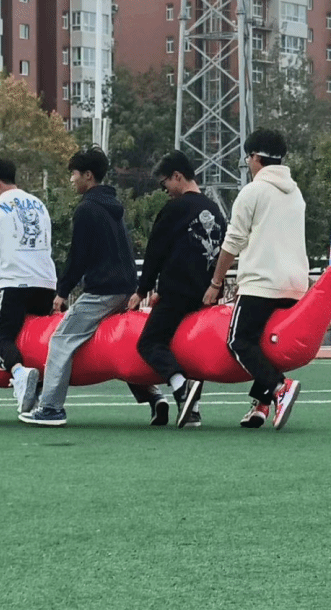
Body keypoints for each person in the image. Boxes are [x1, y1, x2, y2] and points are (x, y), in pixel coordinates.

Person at [20, 146, 166, 427]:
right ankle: (154, 396)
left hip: (103, 290)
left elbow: (78, 256)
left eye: (74, 174)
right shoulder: (113, 206)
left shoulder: (86, 209)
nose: (71, 179)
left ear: (88, 175)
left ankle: (50, 408)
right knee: (119, 346)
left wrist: (62, 292)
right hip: (125, 288)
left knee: (61, 339)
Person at [202, 129, 309, 430]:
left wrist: (216, 282)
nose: (248, 163)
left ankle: (279, 388)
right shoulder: (295, 193)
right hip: (295, 284)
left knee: (239, 341)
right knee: (268, 344)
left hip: (262, 283)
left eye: (248, 158)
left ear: (256, 157)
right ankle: (260, 405)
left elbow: (233, 241)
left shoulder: (253, 191)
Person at [127, 150, 227, 428]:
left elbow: (155, 252)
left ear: (177, 176)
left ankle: (180, 386)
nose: (165, 191)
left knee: (150, 343)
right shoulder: (216, 211)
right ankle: (192, 409)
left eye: (165, 184)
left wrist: (143, 289)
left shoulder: (175, 209)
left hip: (177, 290)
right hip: (206, 293)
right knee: (192, 347)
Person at [0, 158, 57, 415]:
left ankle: (20, 374)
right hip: (45, 282)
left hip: (14, 282)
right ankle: (42, 393)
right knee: (39, 338)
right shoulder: (39, 205)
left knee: (0, 338)